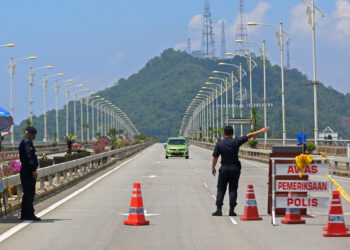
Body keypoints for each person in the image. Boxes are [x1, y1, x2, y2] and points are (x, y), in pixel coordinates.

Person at [211, 125, 270, 216]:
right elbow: (249, 135)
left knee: (221, 189)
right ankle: (231, 210)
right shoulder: (236, 141)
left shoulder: (219, 143)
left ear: (223, 133)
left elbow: (215, 157)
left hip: (224, 168)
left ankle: (219, 209)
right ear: (233, 133)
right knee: (233, 189)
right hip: (234, 168)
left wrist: (213, 167)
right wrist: (261, 130)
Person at [19, 126, 41, 221]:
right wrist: (33, 170)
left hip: (26, 171)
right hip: (28, 171)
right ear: (32, 134)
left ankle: (25, 214)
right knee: (29, 193)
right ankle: (29, 214)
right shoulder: (27, 142)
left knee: (27, 193)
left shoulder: (25, 141)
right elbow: (29, 157)